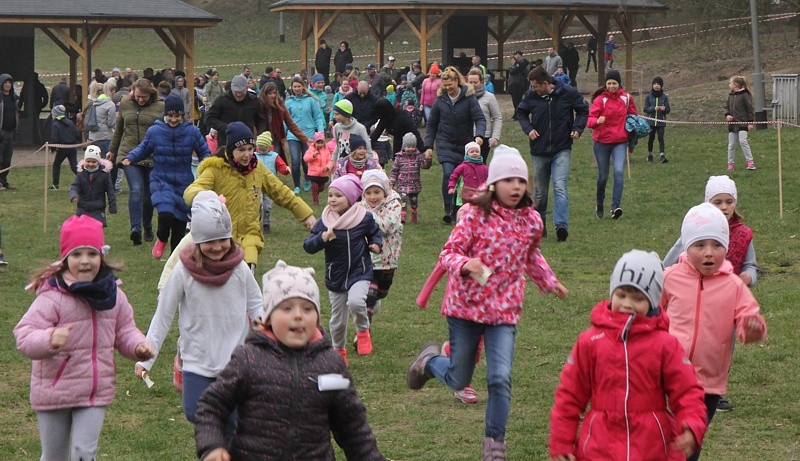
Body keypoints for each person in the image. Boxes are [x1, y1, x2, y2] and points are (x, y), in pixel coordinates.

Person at [406, 146, 568, 460]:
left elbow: (531, 255)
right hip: (465, 308)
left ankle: (494, 444)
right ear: (493, 183)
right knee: (459, 378)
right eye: (508, 180)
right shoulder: (474, 214)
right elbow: (448, 254)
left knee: (499, 377)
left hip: (503, 312)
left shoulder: (530, 221)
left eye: (520, 181)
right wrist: (466, 265)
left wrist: (549, 281)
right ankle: (429, 362)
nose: (516, 187)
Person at [193, 260, 386, 460]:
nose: (298, 316)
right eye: (286, 308)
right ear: (267, 318)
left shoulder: (331, 365)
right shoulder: (248, 359)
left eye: (307, 309)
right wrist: (212, 444)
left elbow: (353, 427)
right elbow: (211, 406)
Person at [14, 215, 154, 461]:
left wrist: (138, 346)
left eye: (92, 254)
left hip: (93, 391)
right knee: (54, 456)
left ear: (102, 256)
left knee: (84, 453)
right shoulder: (52, 296)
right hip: (54, 391)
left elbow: (124, 330)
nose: (85, 261)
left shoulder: (114, 296)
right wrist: (49, 339)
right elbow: (24, 335)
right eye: (77, 255)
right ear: (66, 259)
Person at [549, 250, 708, 461]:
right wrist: (561, 442)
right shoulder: (590, 341)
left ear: (652, 302)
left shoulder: (665, 344)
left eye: (638, 298)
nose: (627, 304)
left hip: (652, 446)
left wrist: (691, 425)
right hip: (599, 445)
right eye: (621, 295)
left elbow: (687, 390)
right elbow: (569, 395)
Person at [135, 192, 262, 429]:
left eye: (222, 239)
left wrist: (271, 338)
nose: (217, 247)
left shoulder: (240, 268)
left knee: (233, 421)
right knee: (196, 412)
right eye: (209, 242)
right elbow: (163, 315)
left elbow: (256, 305)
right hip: (196, 358)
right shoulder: (183, 271)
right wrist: (147, 358)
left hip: (235, 359)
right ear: (196, 241)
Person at [661, 203, 767, 461]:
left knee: (689, 444)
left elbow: (747, 317)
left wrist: (752, 328)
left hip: (708, 383)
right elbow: (651, 313)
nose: (709, 253)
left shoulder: (733, 285)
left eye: (717, 245)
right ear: (686, 246)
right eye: (700, 245)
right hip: (667, 376)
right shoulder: (668, 277)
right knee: (663, 438)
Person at [185, 122, 315, 269]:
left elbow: (281, 192)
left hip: (250, 235)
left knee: (247, 272)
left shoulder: (257, 168)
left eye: (250, 149)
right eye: (241, 150)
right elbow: (191, 192)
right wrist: (206, 198)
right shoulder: (216, 169)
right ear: (230, 150)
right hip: (222, 238)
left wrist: (306, 215)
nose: (247, 155)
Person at [304, 174, 382, 364]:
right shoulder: (325, 221)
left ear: (351, 197)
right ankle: (339, 352)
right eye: (330, 195)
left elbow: (374, 233)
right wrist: (321, 238)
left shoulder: (363, 217)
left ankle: (363, 330)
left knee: (356, 302)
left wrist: (376, 244)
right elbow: (308, 246)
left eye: (338, 195)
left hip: (360, 272)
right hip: (336, 276)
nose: (332, 199)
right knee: (337, 321)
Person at [124, 94, 211, 258]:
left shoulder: (191, 131)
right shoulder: (155, 131)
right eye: (170, 115)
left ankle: (174, 260)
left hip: (183, 183)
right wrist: (131, 157)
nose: (173, 119)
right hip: (161, 180)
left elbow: (204, 151)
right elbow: (144, 148)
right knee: (165, 214)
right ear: (165, 114)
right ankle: (162, 238)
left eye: (177, 116)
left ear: (182, 115)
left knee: (179, 224)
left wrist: (207, 164)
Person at [516, 66, 588, 242]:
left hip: (562, 148)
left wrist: (577, 128)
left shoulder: (567, 92)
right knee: (540, 192)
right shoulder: (530, 96)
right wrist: (529, 129)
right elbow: (521, 112)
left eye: (535, 86)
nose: (533, 89)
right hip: (539, 150)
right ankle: (540, 225)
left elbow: (583, 110)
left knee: (560, 186)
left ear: (546, 84)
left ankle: (561, 226)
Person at [423, 66, 486, 223]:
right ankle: (449, 207)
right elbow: (431, 125)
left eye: (450, 84)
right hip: (445, 143)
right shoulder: (440, 101)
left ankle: (461, 207)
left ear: (457, 81)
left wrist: (479, 136)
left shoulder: (469, 99)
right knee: (449, 173)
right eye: (445, 85)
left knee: (464, 176)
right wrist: (428, 146)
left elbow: (480, 118)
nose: (447, 88)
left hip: (465, 144)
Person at [108, 78, 164, 245]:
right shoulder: (125, 103)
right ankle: (136, 229)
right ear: (133, 93)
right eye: (138, 96)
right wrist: (112, 150)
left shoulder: (160, 107)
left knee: (148, 196)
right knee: (137, 190)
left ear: (150, 95)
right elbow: (119, 128)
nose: (140, 100)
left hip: (151, 156)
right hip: (129, 154)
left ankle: (147, 226)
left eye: (144, 97)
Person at [587, 69, 637, 220]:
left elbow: (633, 115)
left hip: (620, 141)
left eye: (614, 83)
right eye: (609, 83)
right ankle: (600, 202)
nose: (611, 86)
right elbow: (589, 121)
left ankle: (615, 206)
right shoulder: (600, 100)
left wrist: (632, 128)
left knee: (618, 172)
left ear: (619, 83)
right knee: (603, 176)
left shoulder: (627, 98)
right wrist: (597, 121)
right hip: (601, 142)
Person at [358, 169, 402, 326]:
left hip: (388, 258)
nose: (372, 197)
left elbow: (386, 226)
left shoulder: (394, 205)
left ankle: (375, 301)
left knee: (382, 291)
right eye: (368, 193)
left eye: (376, 192)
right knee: (369, 294)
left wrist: (369, 214)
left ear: (385, 191)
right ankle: (364, 332)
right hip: (368, 257)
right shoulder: (360, 206)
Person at [285, 77, 326, 194]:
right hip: (293, 136)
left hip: (309, 136)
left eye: (299, 86)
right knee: (295, 160)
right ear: (292, 88)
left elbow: (318, 117)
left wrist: (320, 132)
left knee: (307, 160)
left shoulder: (311, 101)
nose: (297, 89)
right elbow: (285, 120)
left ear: (303, 87)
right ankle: (296, 185)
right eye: (295, 87)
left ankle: (307, 179)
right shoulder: (288, 103)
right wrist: (282, 134)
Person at [258, 81, 310, 165]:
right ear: (265, 94)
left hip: (276, 140)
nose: (273, 96)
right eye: (270, 94)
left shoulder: (280, 106)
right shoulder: (258, 106)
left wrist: (305, 139)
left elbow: (291, 124)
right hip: (261, 141)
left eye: (274, 93)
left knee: (273, 165)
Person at [205, 75, 264, 147]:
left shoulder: (253, 101)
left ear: (246, 88)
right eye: (236, 91)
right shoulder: (221, 100)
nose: (239, 95)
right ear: (231, 88)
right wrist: (227, 128)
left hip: (246, 145)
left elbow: (261, 121)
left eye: (241, 91)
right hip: (226, 144)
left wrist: (260, 135)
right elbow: (209, 118)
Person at [69, 146, 116, 227]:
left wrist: (112, 206)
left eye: (94, 162)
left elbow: (110, 191)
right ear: (84, 161)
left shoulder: (104, 175)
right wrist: (74, 195)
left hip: (98, 209)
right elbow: (75, 186)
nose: (90, 164)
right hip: (83, 208)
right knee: (81, 229)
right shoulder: (81, 174)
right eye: (88, 161)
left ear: (98, 162)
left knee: (96, 229)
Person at [390, 132, 432, 223]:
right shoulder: (399, 157)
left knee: (414, 201)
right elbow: (394, 170)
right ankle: (403, 217)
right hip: (402, 184)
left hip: (414, 184)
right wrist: (392, 182)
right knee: (403, 200)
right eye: (408, 147)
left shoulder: (418, 156)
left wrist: (428, 159)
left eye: (412, 147)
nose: (410, 149)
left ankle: (414, 214)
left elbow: (425, 166)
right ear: (404, 147)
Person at [255, 131, 290, 232]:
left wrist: (286, 169)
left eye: (264, 149)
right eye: (259, 149)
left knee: (267, 206)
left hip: (270, 184)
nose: (261, 151)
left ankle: (266, 223)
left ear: (269, 147)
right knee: (258, 203)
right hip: (257, 184)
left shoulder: (274, 156)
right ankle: (257, 218)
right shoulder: (254, 156)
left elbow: (281, 166)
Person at [466, 68, 502, 163]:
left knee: (480, 165)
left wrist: (495, 136)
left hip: (484, 136)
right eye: (470, 82)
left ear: (481, 82)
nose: (473, 85)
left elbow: (497, 117)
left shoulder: (489, 97)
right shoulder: (463, 97)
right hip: (466, 135)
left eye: (475, 82)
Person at [447, 142, 488, 218]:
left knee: (479, 209)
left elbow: (489, 179)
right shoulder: (463, 166)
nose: (475, 153)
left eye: (477, 151)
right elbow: (454, 177)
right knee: (466, 209)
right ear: (467, 154)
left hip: (480, 193)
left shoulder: (484, 168)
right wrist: (451, 187)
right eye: (472, 152)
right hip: (467, 194)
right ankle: (464, 221)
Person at [725, 75, 756, 170]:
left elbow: (750, 109)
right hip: (732, 125)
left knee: (743, 142)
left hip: (743, 123)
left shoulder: (744, 95)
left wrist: (750, 123)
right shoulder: (730, 96)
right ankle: (730, 164)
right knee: (731, 145)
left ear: (736, 84)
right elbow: (726, 108)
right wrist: (727, 115)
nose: (729, 85)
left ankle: (750, 162)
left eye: (730, 83)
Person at [48, 104, 81, 190]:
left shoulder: (55, 124)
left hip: (63, 148)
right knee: (74, 166)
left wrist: (53, 148)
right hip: (73, 147)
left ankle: (55, 185)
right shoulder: (70, 122)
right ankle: (84, 180)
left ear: (56, 115)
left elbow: (54, 138)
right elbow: (77, 135)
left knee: (56, 164)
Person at [644, 76, 671, 164]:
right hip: (651, 122)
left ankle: (662, 155)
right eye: (654, 84)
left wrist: (664, 109)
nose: (656, 86)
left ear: (661, 86)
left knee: (661, 138)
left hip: (661, 122)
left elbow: (668, 109)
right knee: (651, 138)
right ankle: (650, 154)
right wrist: (653, 108)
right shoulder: (648, 97)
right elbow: (646, 109)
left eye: (658, 84)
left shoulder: (664, 97)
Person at [303, 131, 333, 205]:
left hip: (323, 174)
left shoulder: (326, 151)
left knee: (321, 188)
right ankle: (315, 201)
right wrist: (313, 156)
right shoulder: (311, 150)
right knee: (314, 186)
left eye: (321, 142)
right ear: (314, 142)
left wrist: (327, 167)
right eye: (318, 142)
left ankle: (316, 192)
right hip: (313, 173)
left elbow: (330, 160)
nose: (320, 144)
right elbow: (305, 158)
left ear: (324, 143)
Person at [0, 73, 19, 190]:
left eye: (9, 82)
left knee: (7, 159)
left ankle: (4, 180)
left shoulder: (14, 98)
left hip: (11, 132)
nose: (7, 85)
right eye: (5, 83)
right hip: (1, 132)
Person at [507, 51, 529, 121]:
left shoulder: (522, 63)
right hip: (514, 85)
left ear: (519, 55)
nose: (514, 57)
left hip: (518, 85)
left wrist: (513, 65)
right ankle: (516, 114)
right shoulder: (519, 63)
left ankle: (518, 115)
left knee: (517, 101)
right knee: (515, 101)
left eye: (515, 55)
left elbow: (512, 71)